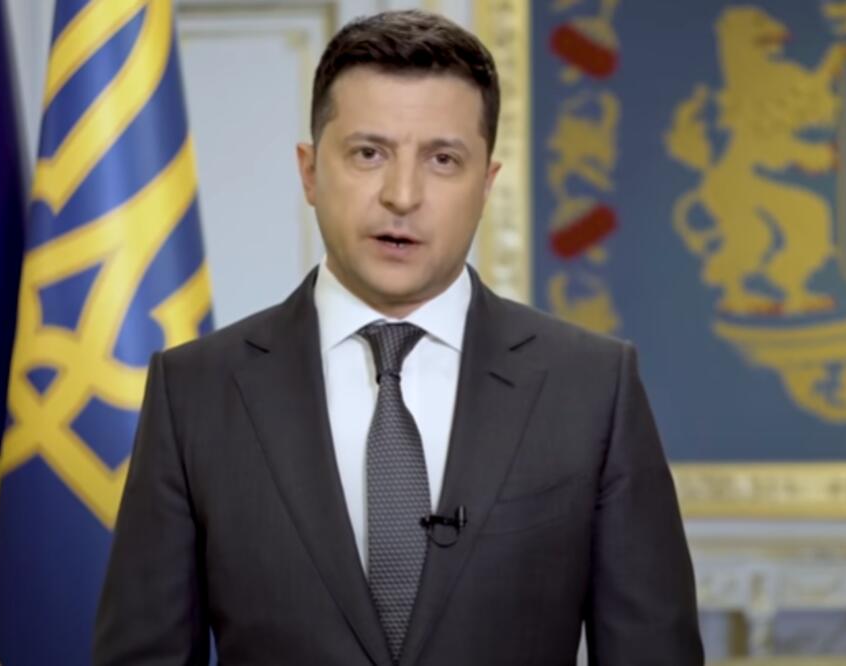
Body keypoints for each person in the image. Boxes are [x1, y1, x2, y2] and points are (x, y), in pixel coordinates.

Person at [94, 9, 704, 665]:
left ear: (486, 185)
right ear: (309, 171)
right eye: (368, 153)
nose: (403, 195)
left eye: (443, 160)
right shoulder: (195, 392)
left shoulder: (592, 388)